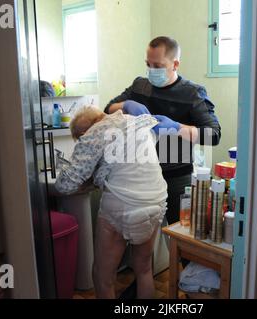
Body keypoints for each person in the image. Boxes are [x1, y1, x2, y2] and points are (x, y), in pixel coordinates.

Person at [104, 36, 221, 298]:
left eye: (157, 65)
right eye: (148, 63)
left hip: (175, 177)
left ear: (175, 63)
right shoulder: (140, 86)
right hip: (140, 178)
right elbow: (107, 109)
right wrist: (125, 105)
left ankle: (193, 292)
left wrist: (178, 128)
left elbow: (213, 134)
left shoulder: (192, 93)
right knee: (142, 249)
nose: (151, 70)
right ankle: (141, 288)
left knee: (182, 245)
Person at [55, 106, 168, 299]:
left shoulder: (94, 133)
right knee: (143, 269)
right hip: (155, 199)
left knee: (103, 275)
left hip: (123, 204)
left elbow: (65, 185)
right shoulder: (135, 121)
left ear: (83, 132)